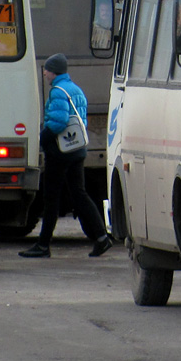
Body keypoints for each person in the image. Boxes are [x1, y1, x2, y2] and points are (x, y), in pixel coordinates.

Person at [19, 53, 113, 259]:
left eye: (47, 70)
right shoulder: (76, 89)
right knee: (80, 194)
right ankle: (101, 238)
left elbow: (58, 121)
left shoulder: (58, 91)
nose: (44, 73)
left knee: (51, 198)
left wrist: (42, 138)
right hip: (76, 149)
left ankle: (43, 245)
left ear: (54, 72)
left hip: (59, 152)